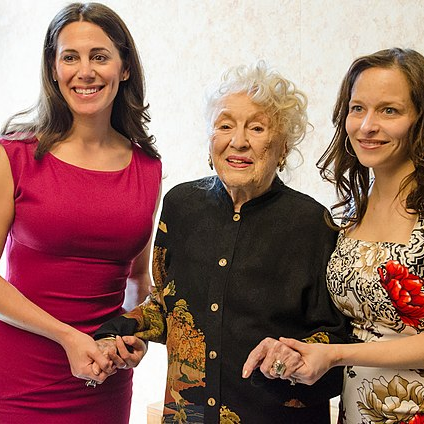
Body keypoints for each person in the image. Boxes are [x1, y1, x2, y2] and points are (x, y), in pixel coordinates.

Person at [243, 48, 424, 423]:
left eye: (389, 110)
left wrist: (338, 355)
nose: (366, 126)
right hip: (360, 407)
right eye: (358, 108)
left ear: (420, 119)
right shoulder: (349, 213)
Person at [93, 61, 350, 423]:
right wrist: (116, 334)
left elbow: (337, 336)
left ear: (284, 146)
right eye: (225, 125)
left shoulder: (313, 223)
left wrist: (291, 357)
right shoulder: (181, 206)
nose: (238, 140)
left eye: (257, 128)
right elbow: (169, 304)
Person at [0, 3, 161, 423]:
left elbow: (137, 278)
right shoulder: (13, 155)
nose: (84, 71)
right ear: (53, 69)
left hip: (103, 382)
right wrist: (68, 337)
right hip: (15, 380)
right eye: (70, 57)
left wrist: (135, 332)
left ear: (124, 69)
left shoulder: (147, 167)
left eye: (99, 56)